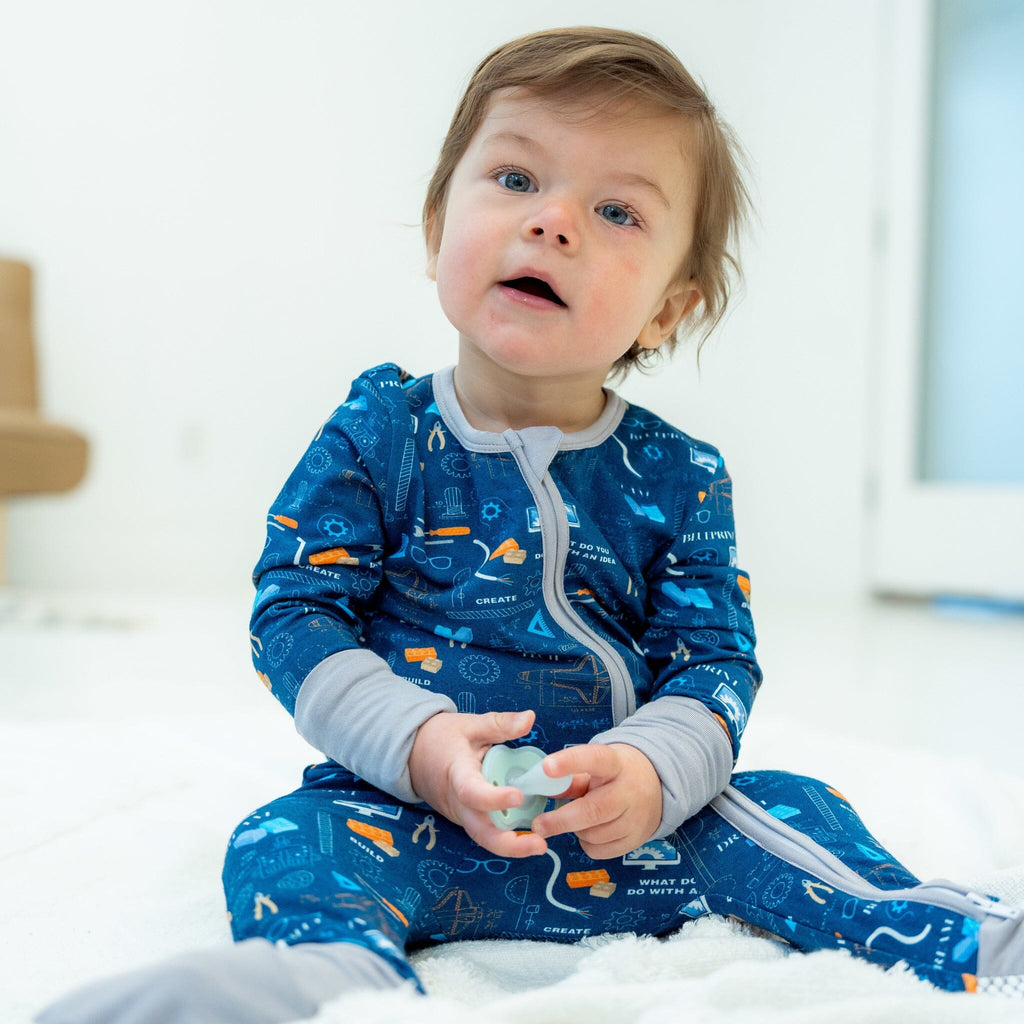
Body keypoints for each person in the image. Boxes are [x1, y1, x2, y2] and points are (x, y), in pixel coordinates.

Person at [37, 25, 1024, 1024]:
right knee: (280, 836)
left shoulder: (677, 478)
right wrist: (418, 746)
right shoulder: (378, 434)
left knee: (786, 808)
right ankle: (326, 977)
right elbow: (295, 614)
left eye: (616, 210)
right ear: (435, 229)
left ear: (665, 311)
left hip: (622, 832)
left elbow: (712, 662)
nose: (553, 221)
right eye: (514, 179)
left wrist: (649, 768)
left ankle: (964, 938)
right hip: (408, 813)